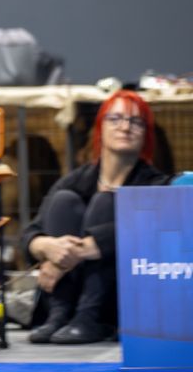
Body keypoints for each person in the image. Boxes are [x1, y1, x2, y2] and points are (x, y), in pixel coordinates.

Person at [22, 91, 170, 344]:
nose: (125, 126)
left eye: (136, 122)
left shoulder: (156, 183)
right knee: (63, 201)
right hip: (67, 287)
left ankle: (91, 318)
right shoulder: (77, 178)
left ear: (146, 133)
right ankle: (59, 314)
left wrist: (87, 247)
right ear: (101, 127)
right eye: (116, 118)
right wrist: (50, 249)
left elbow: (155, 227)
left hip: (118, 298)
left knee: (106, 201)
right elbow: (30, 234)